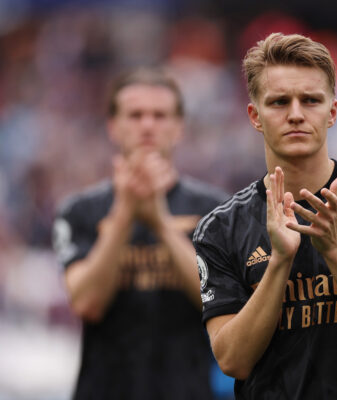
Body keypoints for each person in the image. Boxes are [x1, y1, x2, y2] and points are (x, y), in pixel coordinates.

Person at [193, 33, 337, 400]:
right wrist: (279, 261)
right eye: (278, 102)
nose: (295, 114)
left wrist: (334, 248)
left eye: (310, 100)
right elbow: (233, 361)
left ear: (332, 112)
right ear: (255, 116)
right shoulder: (220, 228)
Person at [52, 68, 229, 400]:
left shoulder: (215, 209)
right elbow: (88, 303)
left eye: (160, 115)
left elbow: (217, 300)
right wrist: (124, 213)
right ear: (112, 127)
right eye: (135, 115)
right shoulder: (79, 211)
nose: (147, 125)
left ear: (178, 128)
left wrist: (160, 223)